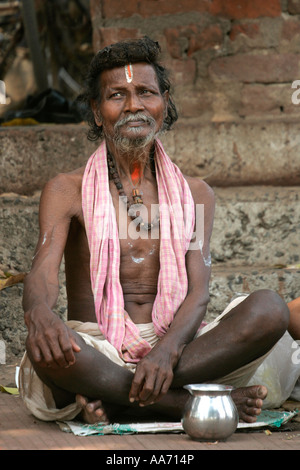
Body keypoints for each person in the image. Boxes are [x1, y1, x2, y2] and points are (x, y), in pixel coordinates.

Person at [19, 37, 290, 425]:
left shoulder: (196, 195)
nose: (133, 105)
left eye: (146, 92)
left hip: (181, 348)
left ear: (164, 105)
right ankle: (180, 402)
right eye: (117, 95)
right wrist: (39, 313)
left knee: (270, 309)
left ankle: (117, 398)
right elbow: (43, 270)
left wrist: (165, 352)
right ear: (97, 112)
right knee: (48, 347)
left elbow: (199, 292)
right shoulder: (67, 189)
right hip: (98, 346)